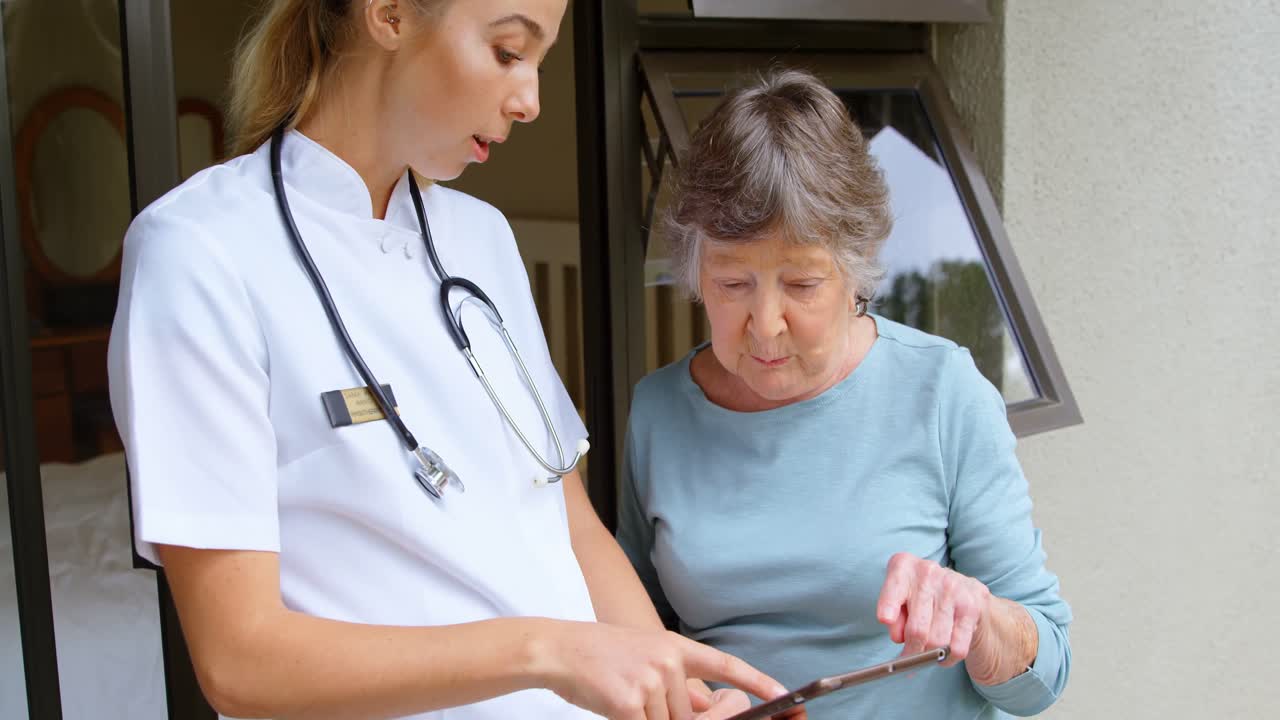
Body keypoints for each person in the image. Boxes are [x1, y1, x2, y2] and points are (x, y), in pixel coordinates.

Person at [106, 1, 794, 718]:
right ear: (391, 14)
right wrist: (550, 652)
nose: (530, 101)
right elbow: (240, 662)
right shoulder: (200, 253)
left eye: (540, 60)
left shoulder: (480, 240)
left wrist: (675, 695)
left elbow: (568, 522)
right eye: (507, 52)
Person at [616, 68, 1072, 719]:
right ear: (694, 272)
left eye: (801, 284)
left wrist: (981, 620)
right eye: (732, 284)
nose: (766, 323)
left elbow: (1044, 674)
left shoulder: (942, 392)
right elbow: (635, 638)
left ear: (854, 269)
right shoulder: (658, 410)